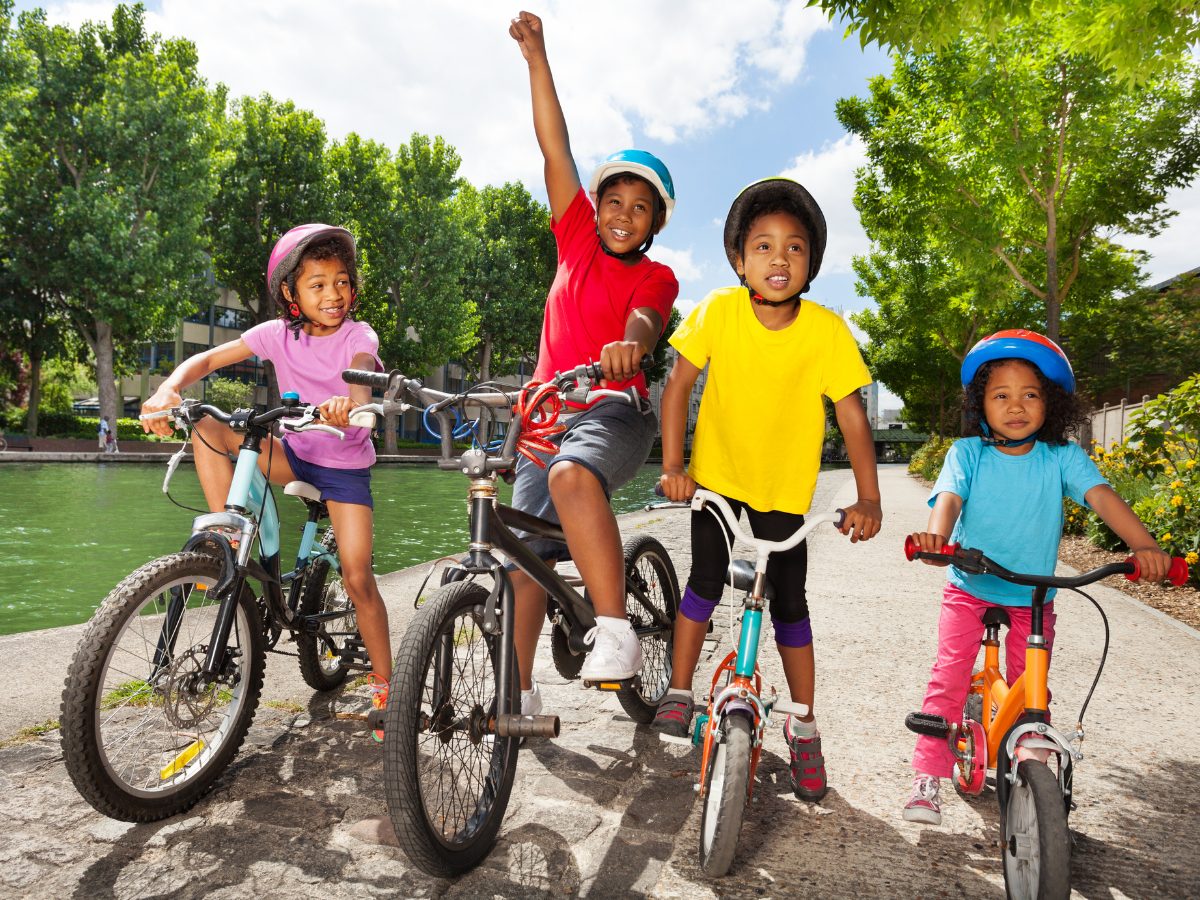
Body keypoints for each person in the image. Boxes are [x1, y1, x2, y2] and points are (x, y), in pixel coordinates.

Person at [655, 177, 883, 802]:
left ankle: (804, 725)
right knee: (703, 577)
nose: (778, 259)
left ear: (810, 263)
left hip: (785, 496)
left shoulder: (827, 331)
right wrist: (675, 463)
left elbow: (852, 413)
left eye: (795, 248)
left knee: (789, 603)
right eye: (762, 246)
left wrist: (870, 497)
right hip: (720, 485)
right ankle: (679, 691)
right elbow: (678, 388)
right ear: (738, 259)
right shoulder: (717, 312)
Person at [902, 329, 1173, 824]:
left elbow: (1103, 497)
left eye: (1030, 394)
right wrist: (938, 539)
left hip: (1033, 595)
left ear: (1052, 403)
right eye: (1000, 395)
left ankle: (1032, 773)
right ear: (979, 404)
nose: (1016, 405)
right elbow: (949, 500)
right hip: (971, 587)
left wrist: (1143, 545)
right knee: (949, 677)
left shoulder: (1062, 458)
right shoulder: (968, 454)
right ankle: (927, 776)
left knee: (1033, 690)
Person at [140, 224, 394, 739]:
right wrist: (167, 389)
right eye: (318, 284)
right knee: (210, 427)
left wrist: (354, 404)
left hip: (344, 468)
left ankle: (387, 686)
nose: (333, 294)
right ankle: (227, 541)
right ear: (290, 293)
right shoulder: (277, 335)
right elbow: (209, 358)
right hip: (295, 453)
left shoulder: (357, 334)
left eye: (341, 282)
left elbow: (361, 371)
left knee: (358, 575)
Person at [508, 11, 679, 715]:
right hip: (545, 416)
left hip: (613, 410)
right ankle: (510, 697)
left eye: (641, 208)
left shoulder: (656, 277)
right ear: (596, 205)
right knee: (521, 560)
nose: (623, 214)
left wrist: (630, 347)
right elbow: (556, 146)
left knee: (574, 476)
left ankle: (617, 630)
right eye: (614, 200)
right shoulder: (574, 239)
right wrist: (536, 58)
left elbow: (646, 318)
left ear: (654, 223)